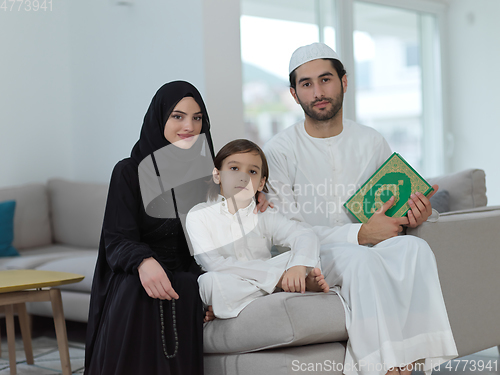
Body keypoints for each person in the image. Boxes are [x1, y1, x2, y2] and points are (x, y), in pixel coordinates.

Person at [263, 43, 458, 375]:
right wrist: (360, 233)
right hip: (311, 254)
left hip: (369, 247)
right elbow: (286, 233)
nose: (318, 91)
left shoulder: (371, 141)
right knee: (363, 259)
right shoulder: (277, 151)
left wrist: (417, 214)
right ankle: (387, 370)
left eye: (325, 79)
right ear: (294, 94)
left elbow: (393, 201)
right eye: (306, 84)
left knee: (415, 249)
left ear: (344, 82)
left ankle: (414, 361)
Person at [84, 81, 271, 375]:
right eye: (178, 116)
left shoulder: (206, 177)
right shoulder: (128, 172)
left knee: (189, 285)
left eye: (197, 118)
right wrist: (144, 262)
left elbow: (231, 201)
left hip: (187, 272)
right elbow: (116, 238)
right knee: (141, 288)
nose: (189, 126)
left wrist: (256, 196)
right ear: (160, 119)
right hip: (137, 272)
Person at [185, 139, 329, 319]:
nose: (243, 177)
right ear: (217, 175)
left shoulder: (264, 214)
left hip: (247, 284)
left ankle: (230, 304)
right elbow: (214, 264)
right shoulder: (198, 215)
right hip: (226, 278)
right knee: (209, 282)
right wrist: (278, 277)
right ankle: (288, 286)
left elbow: (304, 234)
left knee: (311, 256)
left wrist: (297, 266)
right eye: (234, 168)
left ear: (261, 184)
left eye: (252, 172)